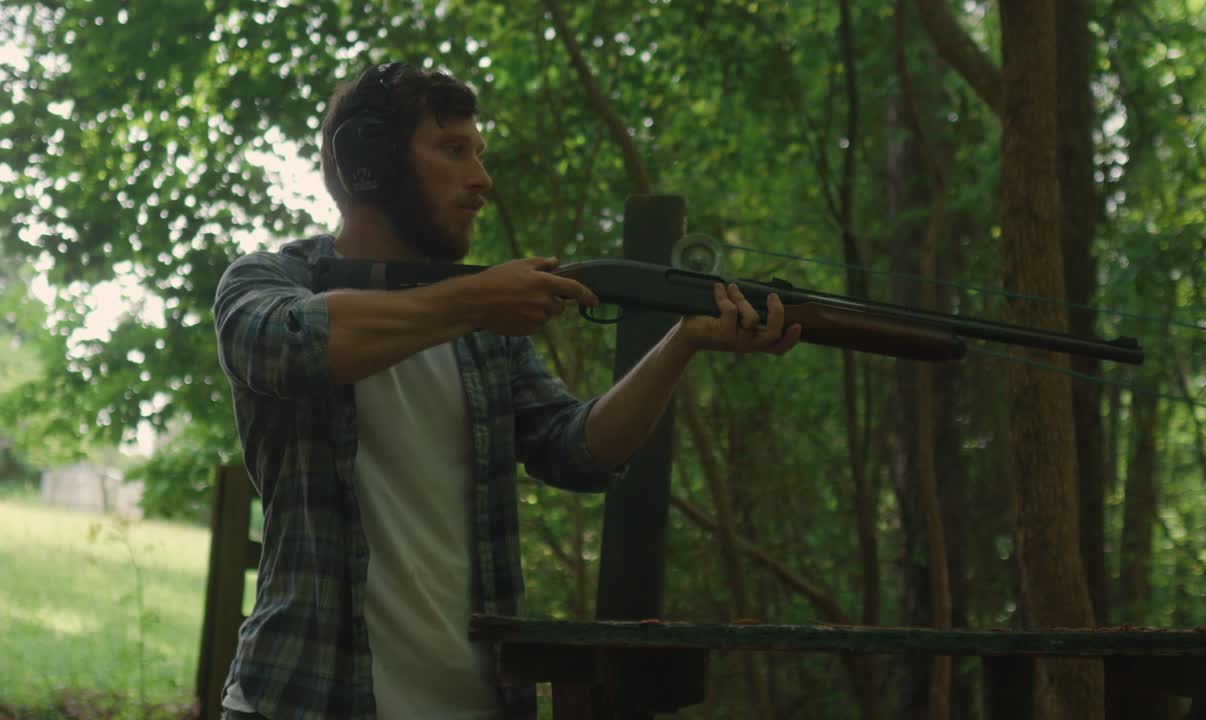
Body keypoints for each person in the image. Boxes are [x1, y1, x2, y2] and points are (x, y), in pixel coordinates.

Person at [212, 61, 802, 720]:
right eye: (454, 150)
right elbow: (298, 343)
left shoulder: (485, 321)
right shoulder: (266, 281)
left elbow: (578, 453)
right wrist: (477, 300)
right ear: (369, 164)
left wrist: (682, 343)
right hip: (301, 698)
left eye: (479, 154)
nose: (482, 180)